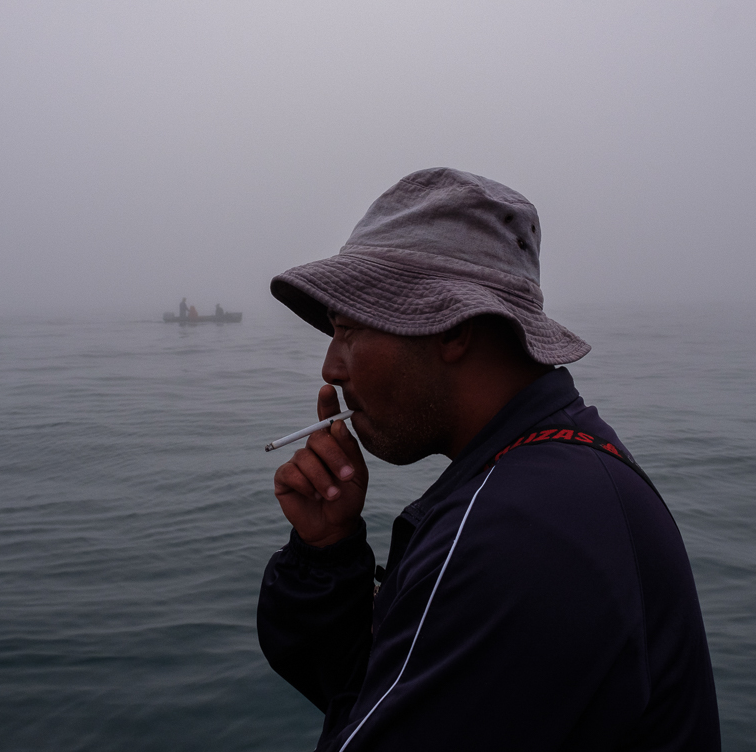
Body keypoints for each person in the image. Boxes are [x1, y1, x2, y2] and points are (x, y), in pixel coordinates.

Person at [257, 168, 720, 751]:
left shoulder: (519, 531)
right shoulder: (560, 474)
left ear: (454, 328)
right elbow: (372, 690)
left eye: (349, 329)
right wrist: (327, 556)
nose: (331, 367)